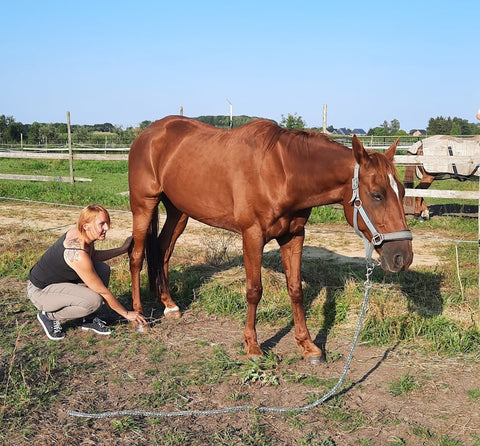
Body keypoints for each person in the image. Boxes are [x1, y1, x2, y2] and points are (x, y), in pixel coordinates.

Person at [27, 204, 147, 340]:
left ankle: (88, 319)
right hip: (41, 292)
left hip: (62, 282)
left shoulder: (83, 235)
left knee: (103, 269)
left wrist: (122, 249)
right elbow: (102, 291)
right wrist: (126, 313)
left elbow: (93, 256)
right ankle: (48, 316)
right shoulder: (77, 253)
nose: (107, 228)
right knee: (94, 301)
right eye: (102, 224)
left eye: (107, 223)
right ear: (85, 225)